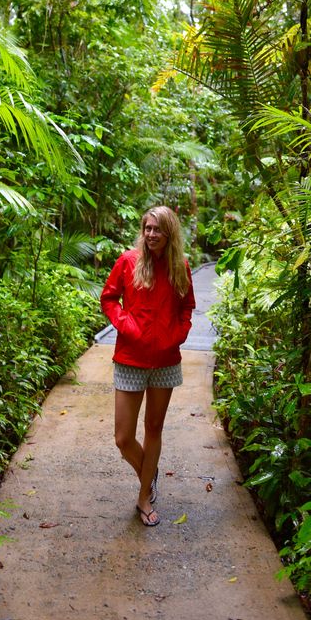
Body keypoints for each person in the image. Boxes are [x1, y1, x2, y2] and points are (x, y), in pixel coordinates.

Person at [100, 206, 196, 526]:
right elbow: (109, 299)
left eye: (157, 229)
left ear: (170, 233)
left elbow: (186, 308)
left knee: (154, 428)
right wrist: (126, 325)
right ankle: (149, 471)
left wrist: (177, 335)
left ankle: (144, 496)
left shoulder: (179, 267)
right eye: (147, 228)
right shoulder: (128, 262)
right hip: (130, 358)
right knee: (123, 437)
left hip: (165, 361)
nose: (151, 234)